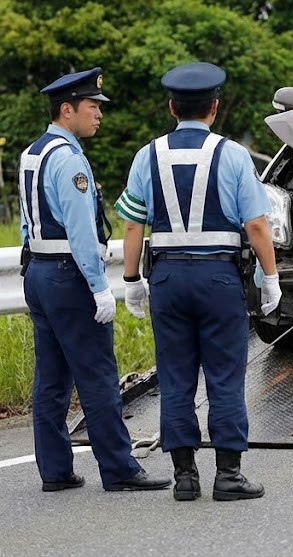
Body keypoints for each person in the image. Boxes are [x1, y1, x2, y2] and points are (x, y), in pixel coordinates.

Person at [115, 61, 282, 501]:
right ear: (215, 107)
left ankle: (185, 476)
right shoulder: (232, 155)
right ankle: (228, 475)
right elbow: (259, 225)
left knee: (175, 377)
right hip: (218, 277)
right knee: (225, 375)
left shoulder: (146, 156)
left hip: (168, 277)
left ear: (172, 107)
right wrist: (271, 278)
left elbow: (133, 226)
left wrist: (131, 279)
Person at [18, 67, 170, 493]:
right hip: (70, 277)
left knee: (50, 379)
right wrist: (99, 287)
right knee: (98, 374)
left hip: (39, 274)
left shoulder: (33, 153)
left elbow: (32, 225)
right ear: (67, 110)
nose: (99, 115)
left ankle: (55, 471)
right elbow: (82, 231)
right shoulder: (69, 161)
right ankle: (120, 470)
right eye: (91, 107)